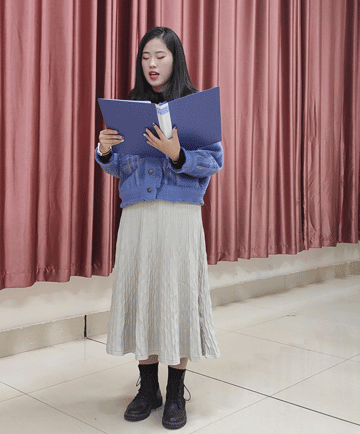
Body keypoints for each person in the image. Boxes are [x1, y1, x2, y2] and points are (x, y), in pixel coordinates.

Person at [95, 26, 223, 430]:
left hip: (179, 216)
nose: (152, 64)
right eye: (146, 56)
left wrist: (178, 153)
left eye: (160, 56)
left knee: (177, 297)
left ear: (175, 59)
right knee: (144, 295)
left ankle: (176, 393)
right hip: (138, 216)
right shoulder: (130, 106)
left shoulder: (195, 106)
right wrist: (104, 150)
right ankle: (148, 390)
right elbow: (119, 166)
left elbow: (214, 161)